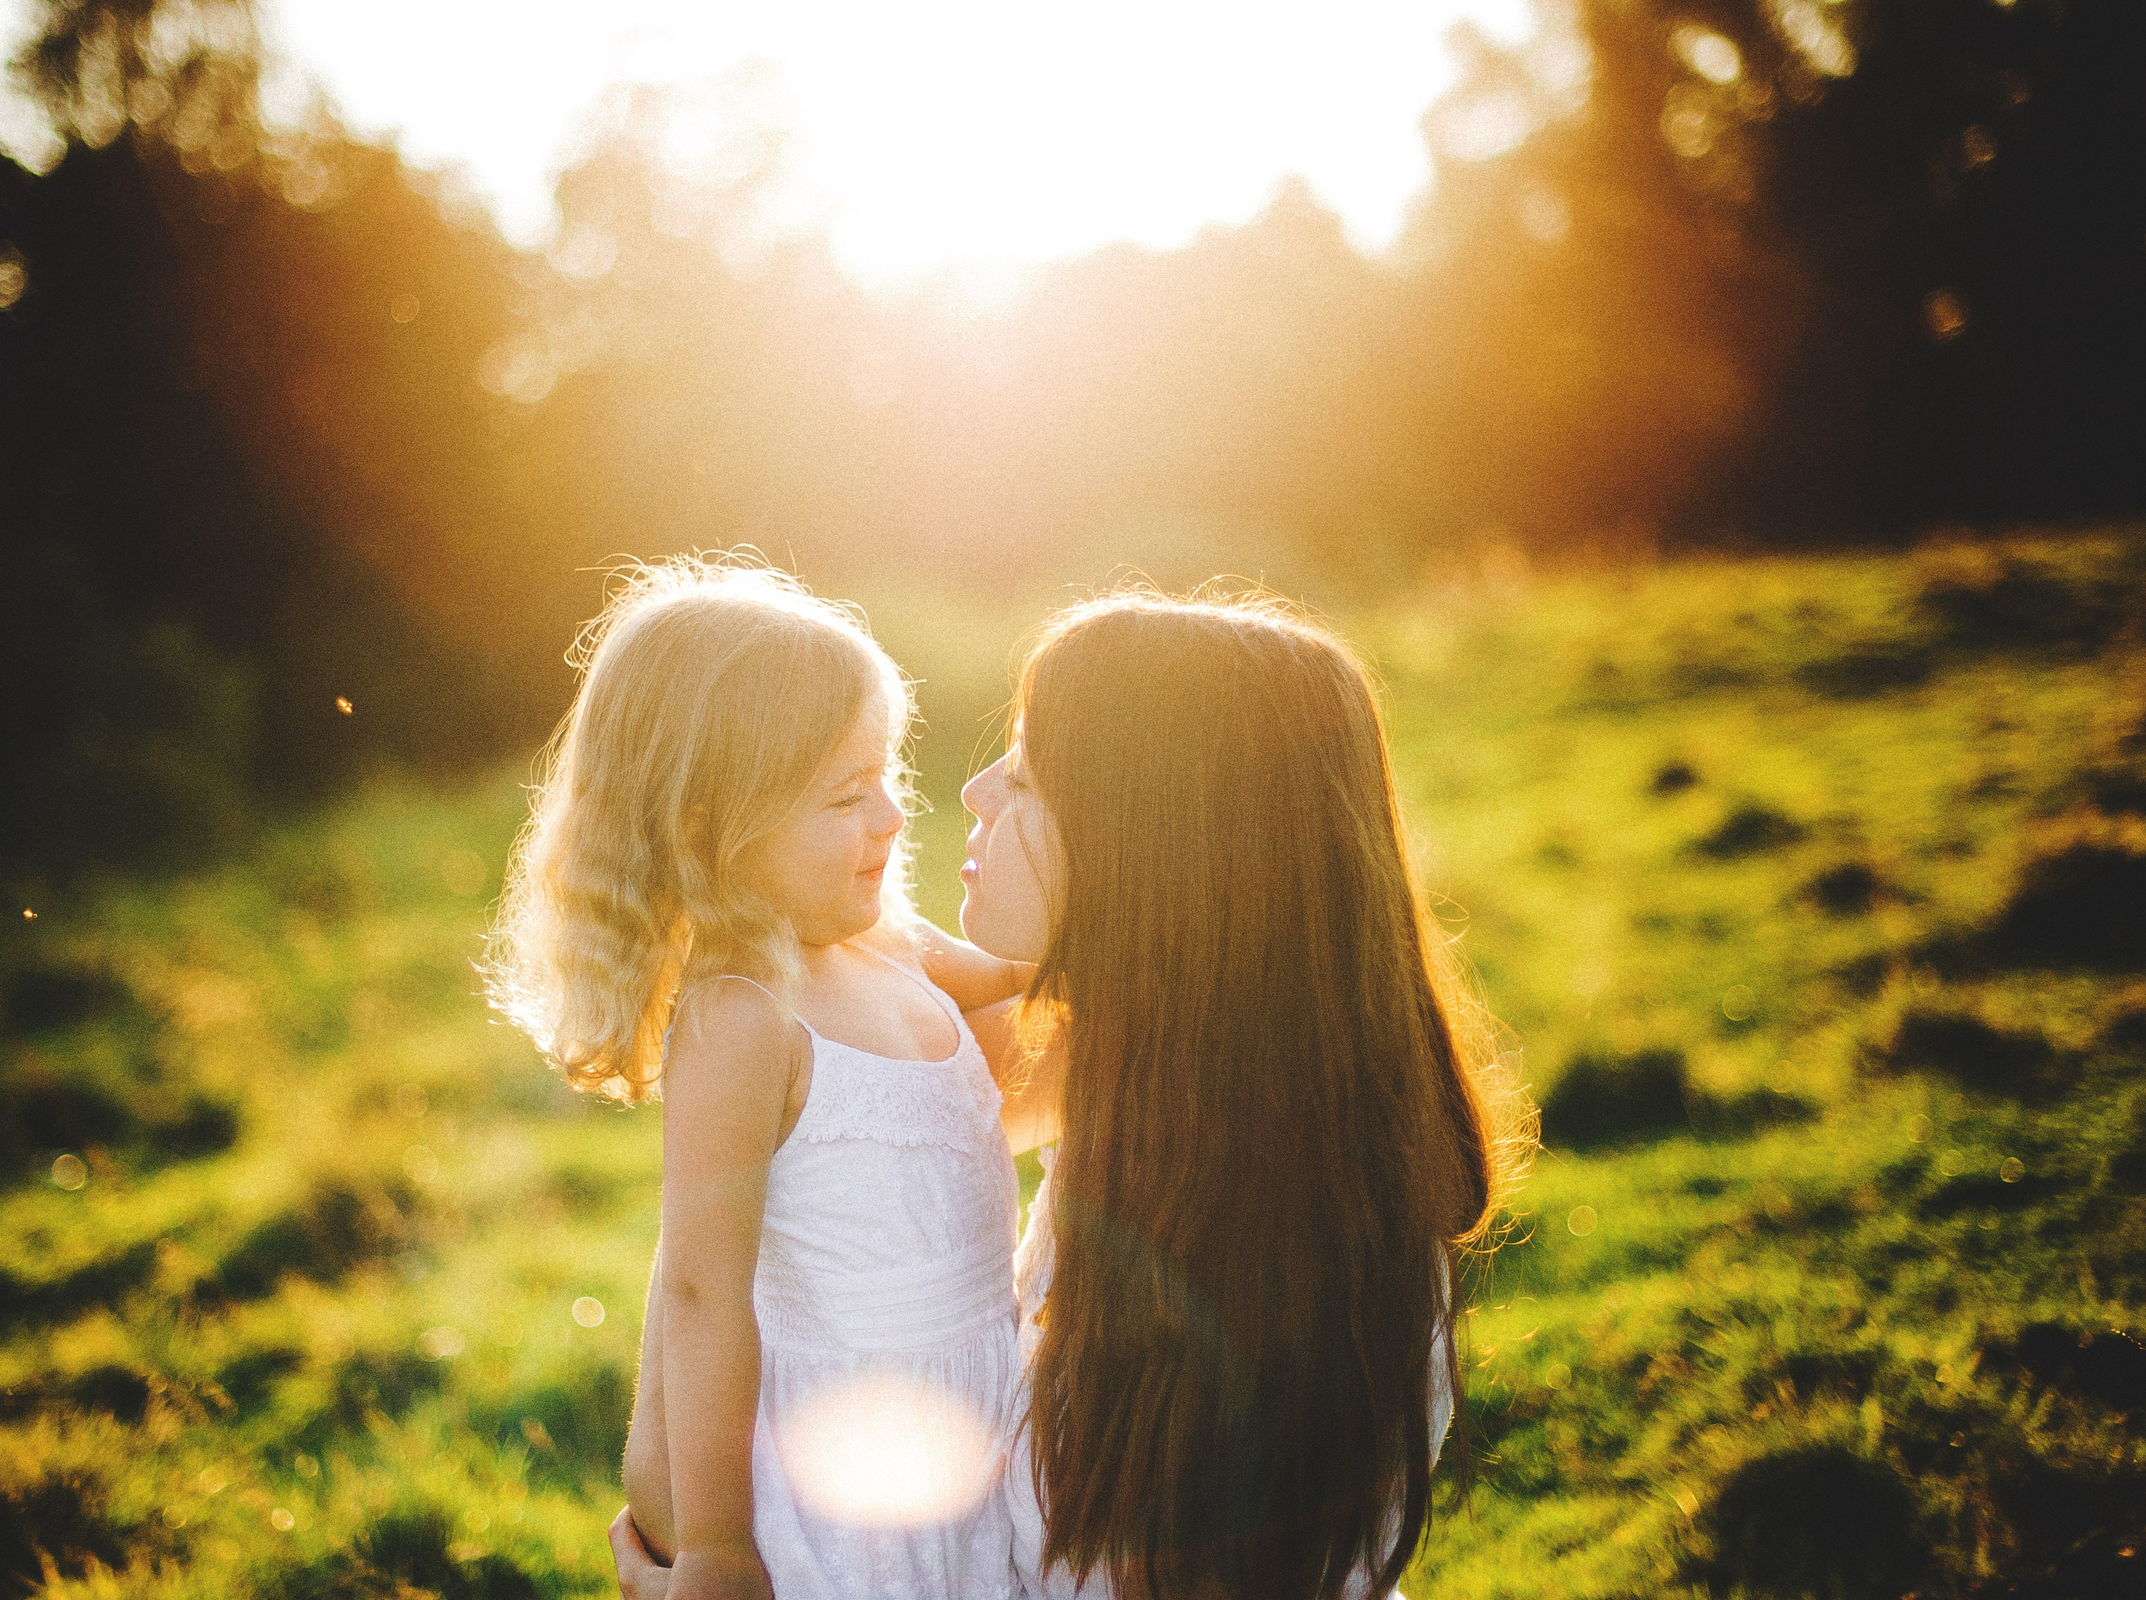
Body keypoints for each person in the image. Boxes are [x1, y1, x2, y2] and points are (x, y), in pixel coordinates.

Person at [614, 587, 1526, 1600]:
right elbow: (849, 1163)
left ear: (1152, 851)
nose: (968, 793)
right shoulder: (1182, 1077)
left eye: (1028, 773)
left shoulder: (1241, 1260)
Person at [490, 558, 1031, 1600]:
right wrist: (718, 1543)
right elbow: (699, 1287)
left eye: (886, 773)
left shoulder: (894, 945)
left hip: (973, 1405)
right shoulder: (744, 1016)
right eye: (842, 794)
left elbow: (1042, 962)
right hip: (839, 1464)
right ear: (711, 829)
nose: (887, 815)